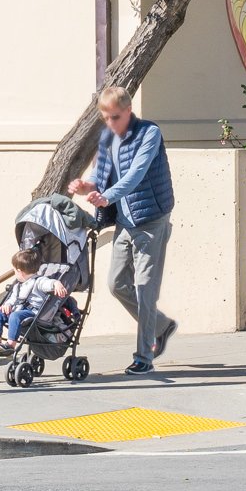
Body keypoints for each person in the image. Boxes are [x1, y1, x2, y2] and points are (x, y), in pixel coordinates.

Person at [69, 85, 177, 374]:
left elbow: (135, 175)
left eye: (115, 117)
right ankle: (162, 326)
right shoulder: (107, 138)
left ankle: (144, 357)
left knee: (145, 290)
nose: (110, 124)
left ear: (129, 111)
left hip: (151, 220)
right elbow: (101, 178)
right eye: (105, 118)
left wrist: (107, 197)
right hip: (125, 222)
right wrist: (85, 187)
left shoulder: (149, 134)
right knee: (116, 284)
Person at [0, 246, 68, 350]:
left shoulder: (39, 281)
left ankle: (10, 344)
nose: (15, 273)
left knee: (15, 316)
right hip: (17, 310)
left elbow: (49, 283)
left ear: (20, 271)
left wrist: (56, 283)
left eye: (15, 271)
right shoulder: (18, 285)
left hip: (32, 312)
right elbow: (12, 298)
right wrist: (8, 304)